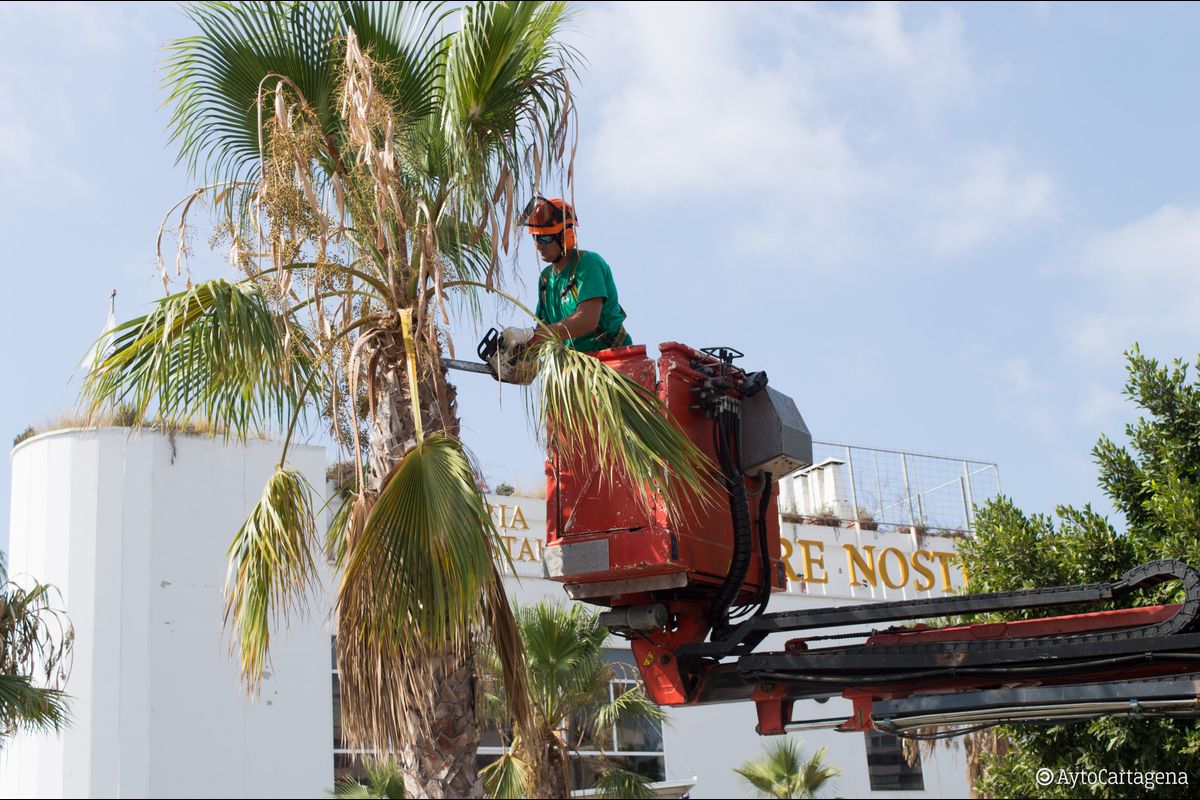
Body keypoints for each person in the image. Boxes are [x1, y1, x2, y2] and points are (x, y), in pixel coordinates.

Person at [524, 197, 631, 352]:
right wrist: (519, 347)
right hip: (576, 367)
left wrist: (533, 336)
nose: (538, 245)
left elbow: (587, 320)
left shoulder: (588, 264)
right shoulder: (546, 279)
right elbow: (544, 332)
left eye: (544, 238)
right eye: (535, 238)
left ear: (566, 236)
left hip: (613, 359)